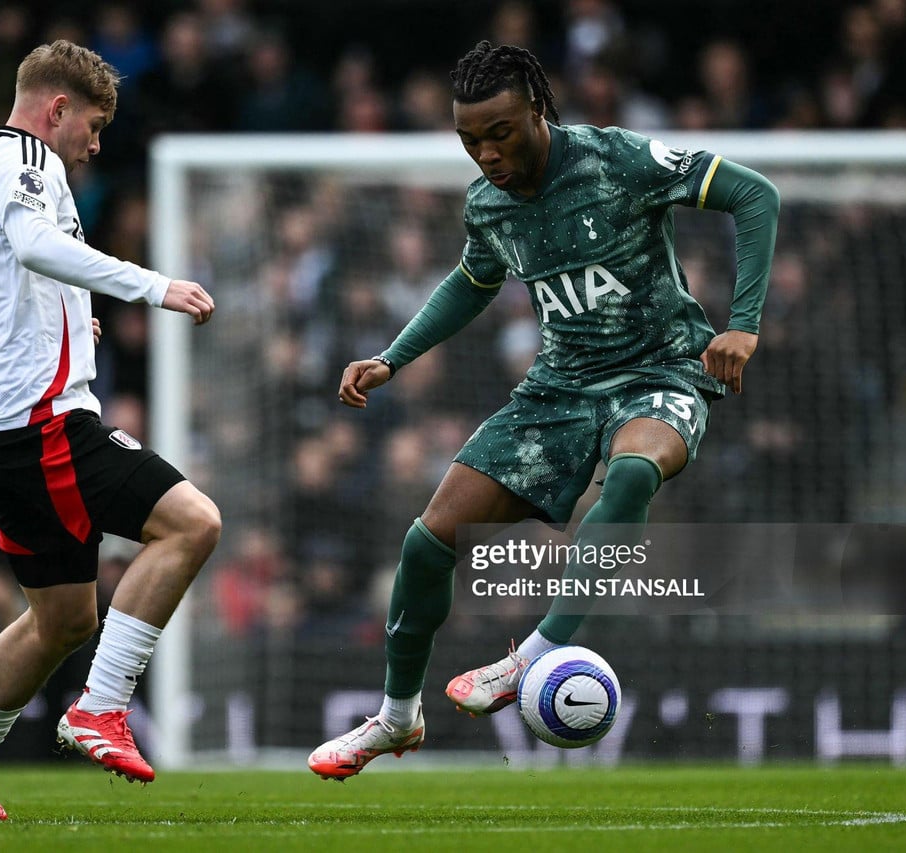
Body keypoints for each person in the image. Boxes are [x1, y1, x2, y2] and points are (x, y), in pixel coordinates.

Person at [307, 40, 779, 779]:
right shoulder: (488, 203)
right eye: (471, 141)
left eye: (500, 133)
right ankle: (396, 718)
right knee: (426, 541)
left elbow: (755, 194)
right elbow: (472, 280)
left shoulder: (617, 159)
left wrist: (743, 322)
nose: (487, 154)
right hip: (557, 390)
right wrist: (392, 356)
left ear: (537, 110)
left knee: (630, 475)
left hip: (658, 371)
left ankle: (533, 656)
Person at [0, 40, 221, 818]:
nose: (96, 144)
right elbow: (39, 246)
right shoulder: (30, 161)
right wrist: (155, 287)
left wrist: (52, 323)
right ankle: (101, 705)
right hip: (40, 418)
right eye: (95, 126)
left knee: (64, 618)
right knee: (192, 524)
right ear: (58, 110)